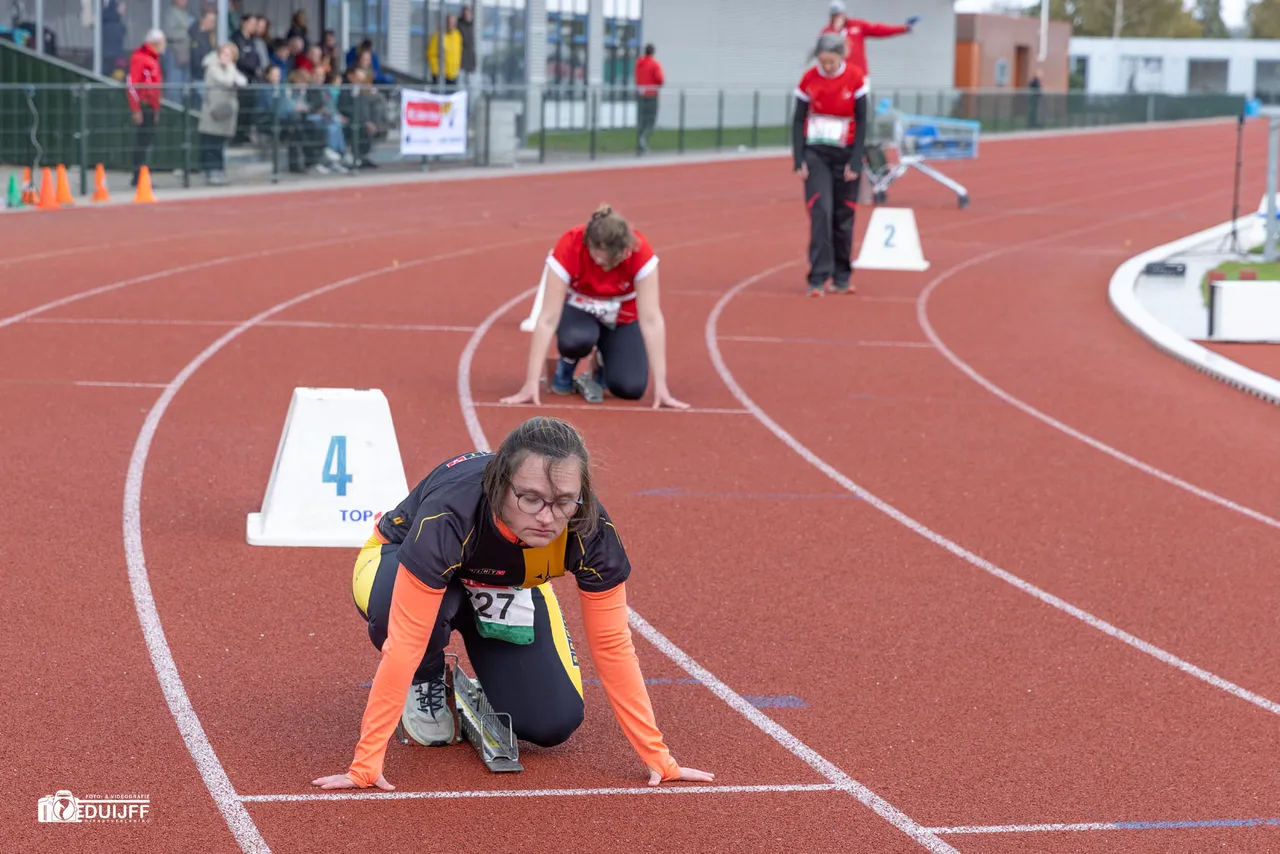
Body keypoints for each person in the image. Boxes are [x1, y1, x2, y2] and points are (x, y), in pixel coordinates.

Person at [311, 417, 714, 790]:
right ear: (499, 484)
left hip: (509, 580)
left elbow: (612, 644)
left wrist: (656, 754)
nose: (547, 518)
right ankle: (427, 678)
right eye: (531, 498)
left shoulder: (588, 527)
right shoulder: (451, 515)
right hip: (399, 560)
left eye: (563, 501)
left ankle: (500, 672)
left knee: (551, 723)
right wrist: (366, 763)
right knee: (408, 618)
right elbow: (405, 641)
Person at [501, 205, 688, 409]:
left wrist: (662, 387)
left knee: (630, 388)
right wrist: (530, 382)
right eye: (594, 254)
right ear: (587, 243)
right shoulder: (569, 245)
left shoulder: (640, 252)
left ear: (623, 251)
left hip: (621, 317)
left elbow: (651, 319)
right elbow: (547, 318)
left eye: (606, 258)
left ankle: (602, 361)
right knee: (577, 338)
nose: (599, 261)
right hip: (579, 311)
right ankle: (567, 363)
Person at [793, 32, 868, 297]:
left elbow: (862, 121)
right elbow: (798, 119)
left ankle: (842, 276)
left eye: (831, 62)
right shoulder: (809, 80)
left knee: (842, 216)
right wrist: (798, 158)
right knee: (820, 211)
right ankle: (817, 277)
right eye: (823, 61)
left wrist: (856, 160)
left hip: (846, 154)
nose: (827, 67)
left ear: (841, 56)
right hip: (817, 154)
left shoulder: (856, 78)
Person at [822, 0, 917, 78]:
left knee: (862, 100)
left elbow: (879, 29)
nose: (837, 18)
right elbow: (826, 50)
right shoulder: (827, 32)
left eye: (839, 14)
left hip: (859, 73)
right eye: (834, 15)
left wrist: (903, 28)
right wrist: (836, 30)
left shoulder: (857, 25)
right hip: (838, 74)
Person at [126, 29, 166, 188]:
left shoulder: (152, 59)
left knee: (146, 141)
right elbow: (132, 84)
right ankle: (138, 176)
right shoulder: (140, 58)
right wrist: (136, 108)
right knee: (142, 142)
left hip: (150, 106)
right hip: (143, 105)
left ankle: (141, 175)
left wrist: (156, 108)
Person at [634, 43, 664, 154]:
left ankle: (640, 144)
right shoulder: (654, 64)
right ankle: (643, 140)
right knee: (651, 120)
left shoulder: (639, 63)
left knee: (641, 119)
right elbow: (660, 79)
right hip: (652, 94)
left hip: (641, 94)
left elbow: (637, 77)